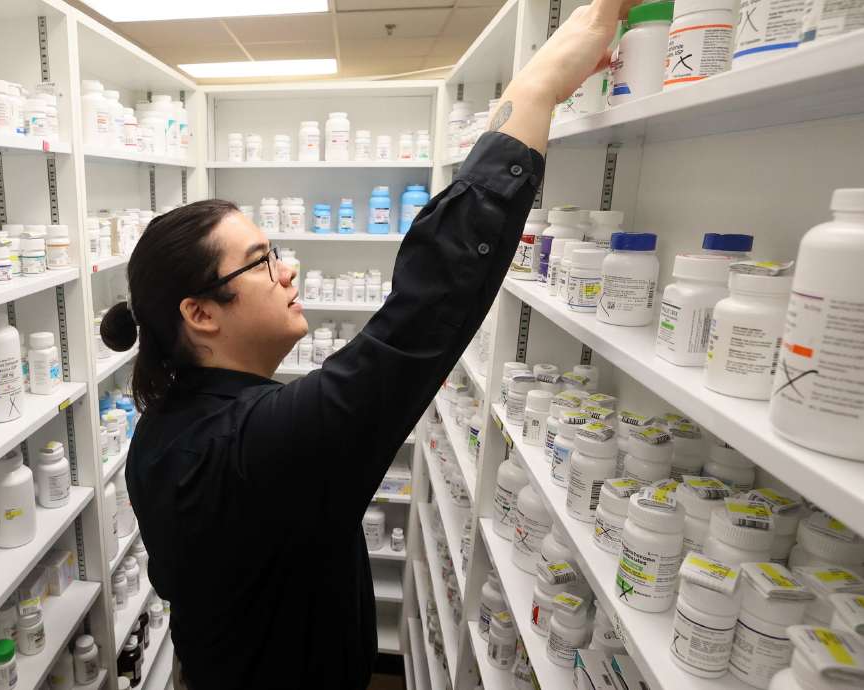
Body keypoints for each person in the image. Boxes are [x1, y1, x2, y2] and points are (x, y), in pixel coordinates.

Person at [99, 1, 634, 686]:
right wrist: (534, 92)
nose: (287, 269)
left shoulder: (168, 429)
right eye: (261, 261)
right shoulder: (254, 447)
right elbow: (418, 319)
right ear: (201, 314)